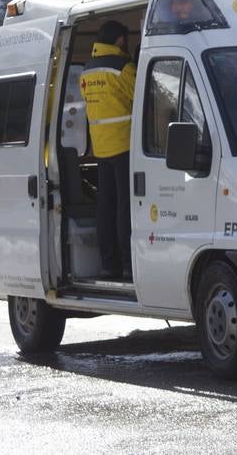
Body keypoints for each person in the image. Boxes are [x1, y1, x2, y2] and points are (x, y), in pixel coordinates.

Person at [81, 20, 136, 280]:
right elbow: (149, 95)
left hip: (100, 148)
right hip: (125, 145)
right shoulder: (123, 68)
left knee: (106, 208)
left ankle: (109, 264)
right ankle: (128, 265)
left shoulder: (86, 71)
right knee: (125, 208)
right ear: (120, 40)